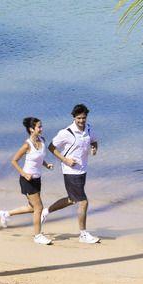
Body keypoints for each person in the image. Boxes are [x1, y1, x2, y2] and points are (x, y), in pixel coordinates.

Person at [0, 116, 59, 245]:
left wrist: (47, 165)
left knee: (32, 207)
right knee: (39, 208)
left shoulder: (42, 140)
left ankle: (6, 214)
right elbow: (14, 161)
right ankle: (37, 236)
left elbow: (39, 159)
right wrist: (24, 174)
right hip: (27, 180)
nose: (41, 129)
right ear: (31, 129)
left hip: (37, 179)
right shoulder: (27, 145)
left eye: (41, 126)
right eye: (39, 127)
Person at [47, 103, 101, 243]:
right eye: (78, 118)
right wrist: (65, 160)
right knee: (83, 202)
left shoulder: (88, 129)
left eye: (83, 118)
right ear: (74, 118)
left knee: (72, 199)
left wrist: (94, 149)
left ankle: (46, 212)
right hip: (70, 171)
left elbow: (94, 141)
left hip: (83, 170)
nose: (81, 121)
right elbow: (51, 147)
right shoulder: (66, 132)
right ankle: (83, 234)